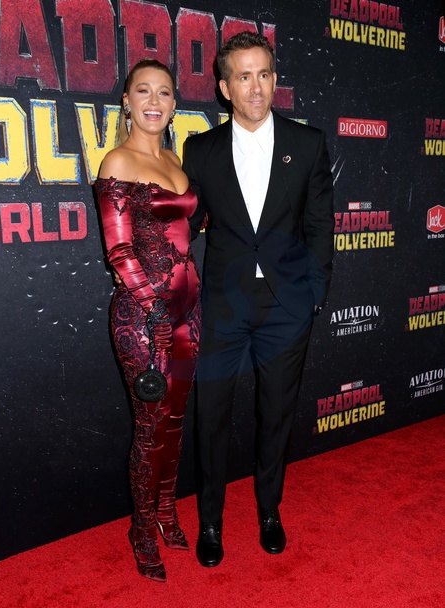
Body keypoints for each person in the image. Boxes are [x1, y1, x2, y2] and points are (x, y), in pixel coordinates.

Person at [183, 31, 334, 567]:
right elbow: (189, 225)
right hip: (223, 306)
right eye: (243, 76)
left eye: (264, 74)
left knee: (276, 415)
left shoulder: (308, 143)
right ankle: (210, 521)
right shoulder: (200, 150)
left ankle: (269, 511)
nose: (256, 87)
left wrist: (313, 295)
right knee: (211, 416)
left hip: (285, 307)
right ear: (225, 88)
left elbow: (320, 227)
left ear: (274, 79)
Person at [95, 58, 201, 582]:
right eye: (143, 91)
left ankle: (165, 510)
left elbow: (181, 233)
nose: (154, 101)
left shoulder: (176, 161)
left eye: (164, 92)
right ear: (127, 102)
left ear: (175, 105)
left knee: (175, 421)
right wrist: (154, 308)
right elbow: (118, 251)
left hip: (188, 311)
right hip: (142, 318)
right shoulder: (118, 160)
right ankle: (141, 531)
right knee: (149, 424)